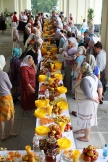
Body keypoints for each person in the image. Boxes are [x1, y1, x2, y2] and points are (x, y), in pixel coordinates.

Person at [74, 62, 103, 142]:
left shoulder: (85, 80)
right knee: (84, 118)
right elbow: (100, 85)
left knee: (87, 120)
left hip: (88, 102)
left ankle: (86, 137)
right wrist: (100, 95)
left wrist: (94, 98)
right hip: (91, 101)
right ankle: (83, 130)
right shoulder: (93, 76)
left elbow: (88, 95)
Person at [0, 55, 17, 141]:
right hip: (6, 97)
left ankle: (2, 135)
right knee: (11, 114)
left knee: (1, 117)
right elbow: (10, 86)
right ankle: (11, 131)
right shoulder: (4, 74)